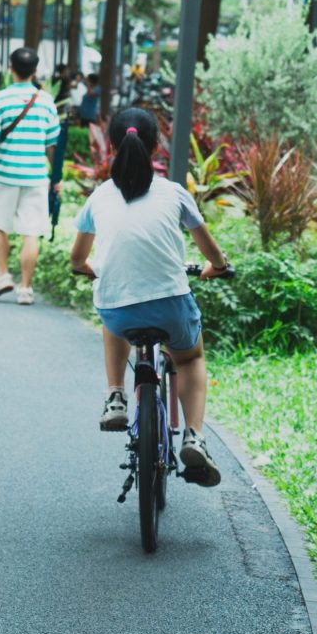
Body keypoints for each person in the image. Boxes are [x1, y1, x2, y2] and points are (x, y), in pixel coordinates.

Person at [69, 107, 229, 484]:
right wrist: (218, 267)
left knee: (111, 310)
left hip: (119, 311)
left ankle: (115, 397)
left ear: (112, 147)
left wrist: (88, 268)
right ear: (157, 147)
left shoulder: (100, 197)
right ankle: (194, 435)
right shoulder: (174, 193)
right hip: (170, 303)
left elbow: (77, 258)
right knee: (190, 357)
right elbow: (211, 251)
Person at [0, 46, 61, 304]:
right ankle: (25, 288)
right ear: (35, 71)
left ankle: (2, 275)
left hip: (3, 174)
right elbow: (52, 144)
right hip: (35, 176)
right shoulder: (46, 101)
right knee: (31, 232)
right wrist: (56, 178)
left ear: (10, 68)